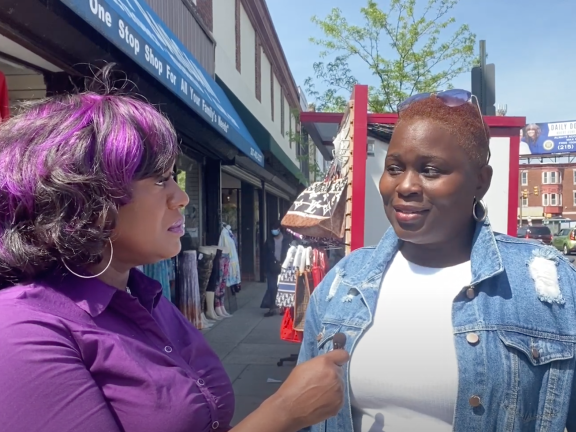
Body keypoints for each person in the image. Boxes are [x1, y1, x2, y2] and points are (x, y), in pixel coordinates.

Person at [0, 66, 349, 432]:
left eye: (176, 178)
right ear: (85, 195)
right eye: (160, 179)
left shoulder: (144, 295)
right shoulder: (23, 329)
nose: (181, 197)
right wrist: (282, 413)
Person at [298, 90, 576, 432]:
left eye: (431, 170)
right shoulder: (343, 284)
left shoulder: (547, 288)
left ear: (481, 181)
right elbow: (303, 416)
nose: (406, 186)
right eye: (395, 168)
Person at [260, 222, 291, 316]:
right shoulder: (269, 240)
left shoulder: (287, 239)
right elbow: (264, 255)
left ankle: (283, 308)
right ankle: (272, 308)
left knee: (283, 288)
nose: (274, 231)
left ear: (279, 229)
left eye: (275, 229)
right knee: (272, 287)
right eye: (272, 229)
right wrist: (264, 269)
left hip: (284, 266)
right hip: (271, 267)